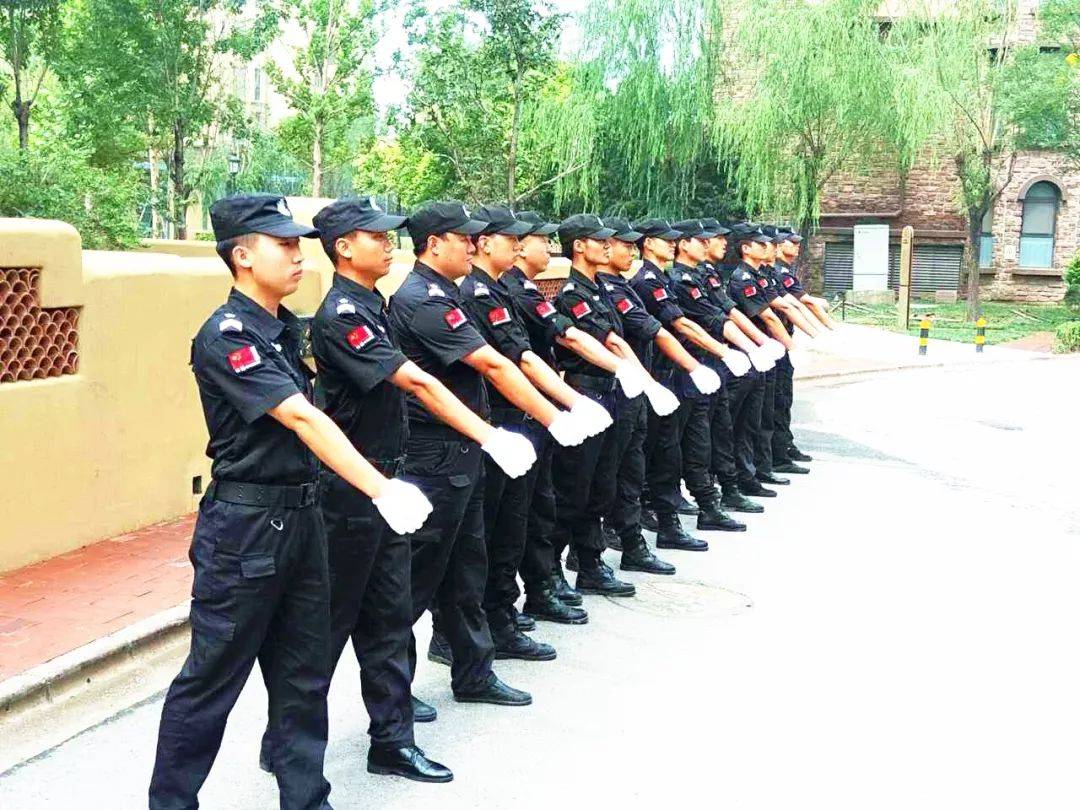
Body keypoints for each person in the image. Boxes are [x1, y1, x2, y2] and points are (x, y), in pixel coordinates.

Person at [149, 194, 433, 810]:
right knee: (212, 680)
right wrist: (380, 487)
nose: (299, 256)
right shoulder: (228, 335)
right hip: (246, 531)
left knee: (303, 677)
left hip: (303, 518)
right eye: (283, 245)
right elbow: (302, 417)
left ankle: (306, 799)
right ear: (243, 256)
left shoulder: (282, 331)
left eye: (299, 245)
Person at [388, 200, 583, 708]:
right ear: (435, 244)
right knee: (416, 581)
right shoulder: (423, 299)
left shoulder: (449, 293)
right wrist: (556, 416)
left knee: (466, 569)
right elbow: (494, 364)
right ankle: (392, 695)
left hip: (463, 449)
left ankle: (474, 672)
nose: (473, 246)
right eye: (464, 238)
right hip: (434, 454)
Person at [458, 204, 610, 659]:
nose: (527, 245)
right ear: (487, 243)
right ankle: (485, 620)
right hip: (504, 418)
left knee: (525, 516)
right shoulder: (480, 292)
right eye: (516, 239)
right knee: (494, 529)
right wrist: (565, 407)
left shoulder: (501, 289)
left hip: (526, 414)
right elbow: (514, 361)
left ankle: (511, 606)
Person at [501, 210, 640, 613]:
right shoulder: (523, 291)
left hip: (569, 398)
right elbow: (570, 340)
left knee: (592, 487)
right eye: (539, 239)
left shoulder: (572, 288)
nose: (548, 246)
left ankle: (569, 569)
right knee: (557, 497)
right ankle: (541, 581)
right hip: (559, 396)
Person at [551, 214, 677, 596]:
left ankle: (590, 563)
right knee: (577, 488)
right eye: (600, 240)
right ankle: (552, 571)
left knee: (603, 484)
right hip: (588, 391)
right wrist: (646, 381)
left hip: (611, 391)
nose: (608, 246)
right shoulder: (573, 293)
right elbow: (610, 342)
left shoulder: (599, 289)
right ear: (579, 246)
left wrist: (641, 381)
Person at [596, 217, 726, 572]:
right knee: (620, 470)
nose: (626, 249)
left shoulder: (626, 285)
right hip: (627, 387)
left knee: (651, 460)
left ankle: (650, 529)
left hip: (650, 382)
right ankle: (604, 541)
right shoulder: (628, 285)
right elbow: (654, 331)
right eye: (622, 244)